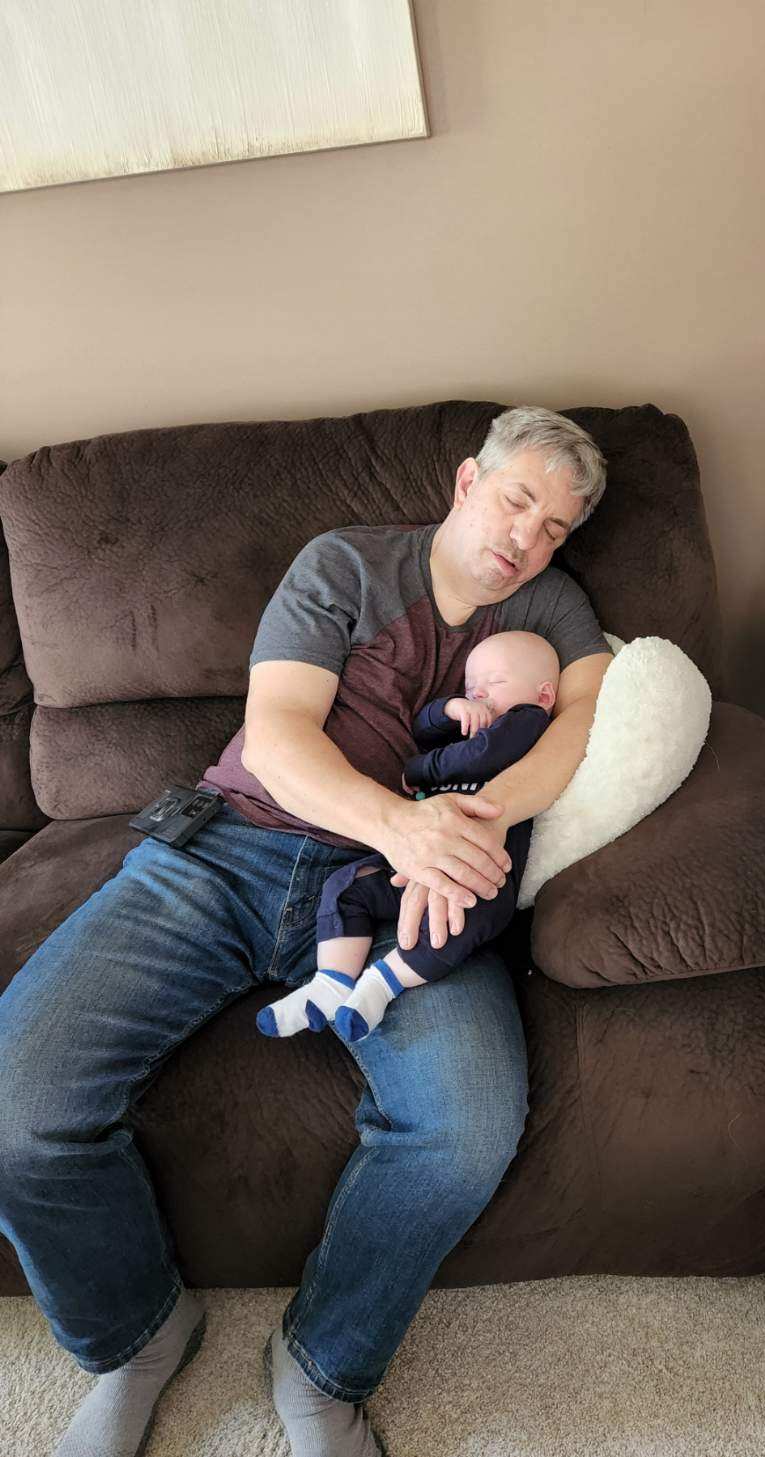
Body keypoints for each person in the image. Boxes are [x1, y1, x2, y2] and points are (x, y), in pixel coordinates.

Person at [0, 405, 612, 1457]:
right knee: (17, 1104)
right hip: (233, 845)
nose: (528, 537)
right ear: (468, 482)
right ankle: (136, 1339)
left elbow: (591, 721)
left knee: (463, 1130)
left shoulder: (554, 605)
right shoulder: (346, 564)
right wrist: (403, 826)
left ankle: (324, 1365)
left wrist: (472, 823)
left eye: (555, 526)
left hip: (417, 882)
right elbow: (278, 737)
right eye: (517, 500)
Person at [256, 629, 561, 1041]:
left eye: (496, 682)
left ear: (544, 694)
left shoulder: (530, 721)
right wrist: (447, 710)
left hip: (476, 874)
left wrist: (419, 771)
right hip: (413, 857)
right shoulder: (468, 724)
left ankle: (382, 983)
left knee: (457, 920)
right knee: (349, 885)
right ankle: (331, 983)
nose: (479, 693)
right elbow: (423, 732)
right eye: (471, 686)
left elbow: (483, 755)